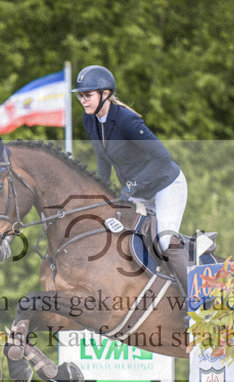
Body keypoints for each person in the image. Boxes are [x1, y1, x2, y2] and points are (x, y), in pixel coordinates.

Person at [71, 64, 189, 294]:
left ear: (106, 94)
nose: (83, 101)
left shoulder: (126, 120)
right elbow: (103, 159)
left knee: (165, 241)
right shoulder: (91, 120)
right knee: (117, 236)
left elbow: (163, 158)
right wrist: (100, 195)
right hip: (139, 192)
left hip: (166, 184)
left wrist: (129, 188)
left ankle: (199, 301)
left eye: (88, 95)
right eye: (81, 97)